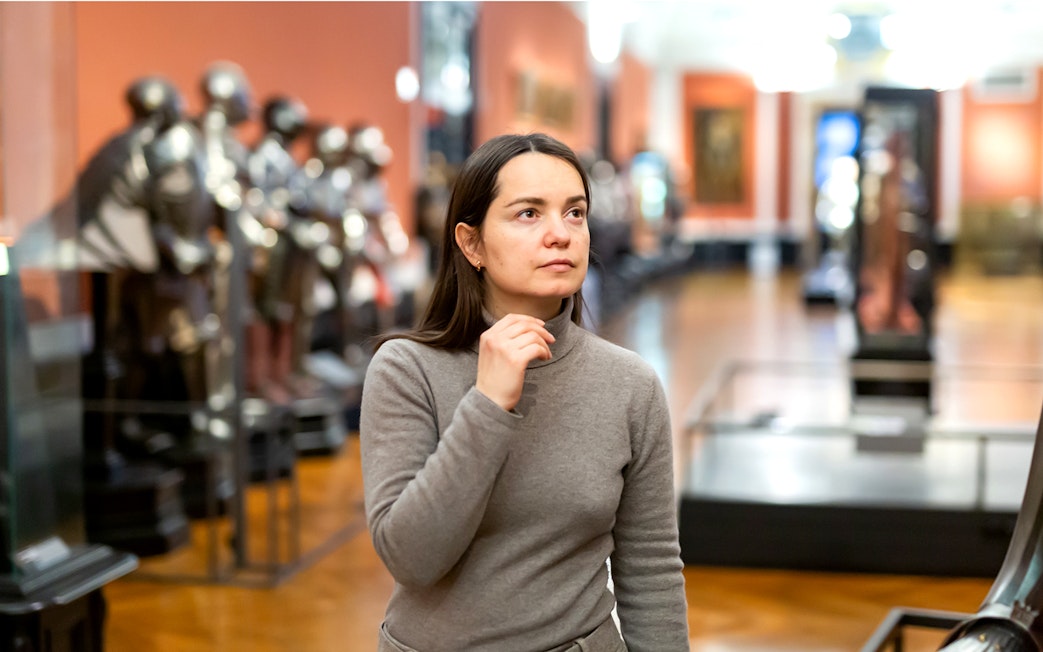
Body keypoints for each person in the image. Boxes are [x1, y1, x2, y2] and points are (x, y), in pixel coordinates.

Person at [359, 132, 689, 652]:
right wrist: (487, 405)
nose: (560, 234)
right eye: (528, 214)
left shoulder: (630, 384)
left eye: (574, 213)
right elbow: (412, 559)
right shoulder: (406, 370)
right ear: (471, 244)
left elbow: (651, 568)